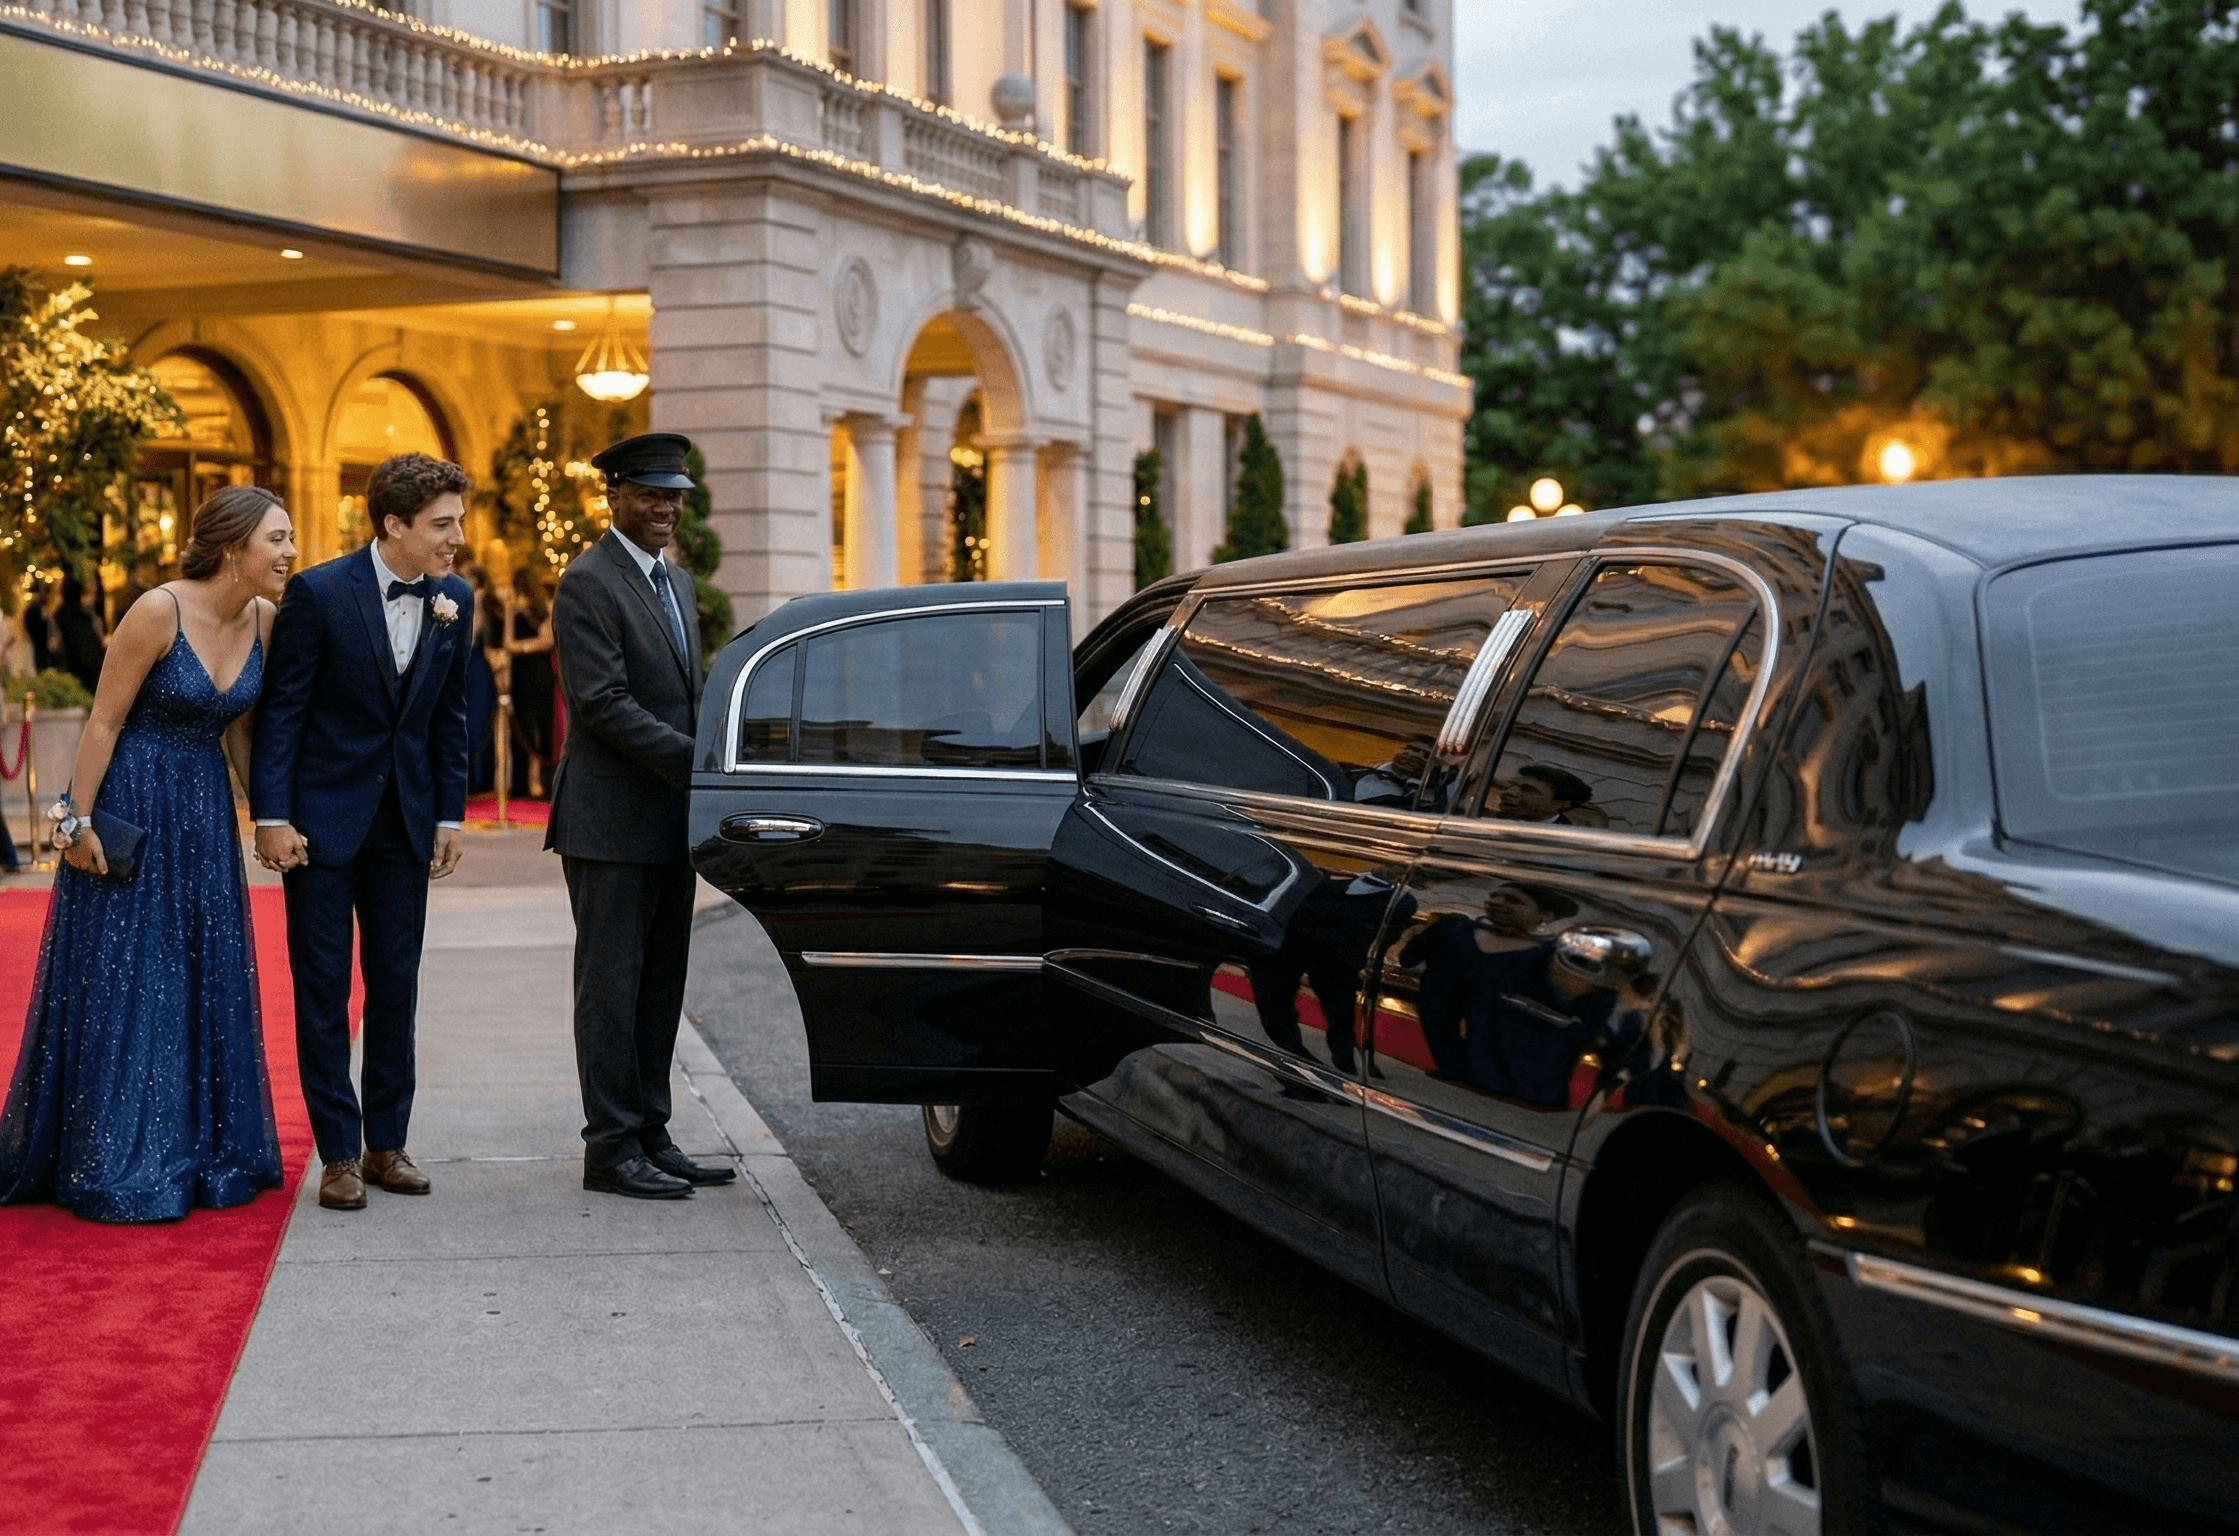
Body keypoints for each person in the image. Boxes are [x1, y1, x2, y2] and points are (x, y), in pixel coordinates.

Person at [0, 486, 294, 1221]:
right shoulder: (158, 609)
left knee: (201, 968)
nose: (290, 553)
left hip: (203, 812)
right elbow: (102, 722)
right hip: (133, 799)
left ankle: (201, 1147)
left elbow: (239, 733)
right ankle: (121, 1155)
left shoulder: (265, 618)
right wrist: (74, 824)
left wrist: (267, 818)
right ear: (233, 548)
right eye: (278, 539)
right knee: (135, 979)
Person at [251, 453, 474, 1213]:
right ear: (394, 524)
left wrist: (448, 814)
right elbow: (283, 712)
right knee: (321, 993)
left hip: (406, 825)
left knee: (396, 988)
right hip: (319, 826)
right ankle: (338, 1155)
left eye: (458, 522)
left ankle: (387, 1146)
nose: (457, 538)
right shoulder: (316, 593)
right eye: (442, 524)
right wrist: (271, 816)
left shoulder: (455, 600)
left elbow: (449, 715)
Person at [547, 431, 731, 1200]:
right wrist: (701, 761)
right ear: (614, 497)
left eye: (675, 496)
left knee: (659, 986)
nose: (666, 509)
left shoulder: (678, 585)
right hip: (608, 826)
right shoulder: (586, 582)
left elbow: (683, 696)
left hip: (665, 822)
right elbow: (602, 704)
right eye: (651, 494)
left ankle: (652, 1133)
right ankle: (610, 1148)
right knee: (611, 990)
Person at [504, 563, 557, 799]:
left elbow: (510, 643)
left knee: (525, 730)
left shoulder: (519, 609)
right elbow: (547, 641)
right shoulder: (543, 607)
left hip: (524, 673)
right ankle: (546, 785)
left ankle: (521, 786)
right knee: (540, 728)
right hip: (541, 672)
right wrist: (535, 644)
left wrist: (521, 648)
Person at [55, 572, 107, 696]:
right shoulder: (72, 614)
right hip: (81, 675)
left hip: (89, 674)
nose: (93, 585)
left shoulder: (94, 612)